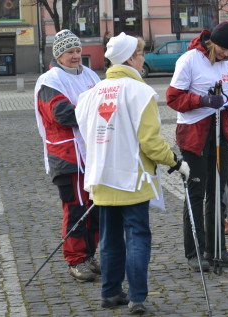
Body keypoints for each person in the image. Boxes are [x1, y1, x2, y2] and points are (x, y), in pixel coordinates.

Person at [76, 32, 190, 315]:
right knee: (138, 237)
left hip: (102, 177)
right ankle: (137, 298)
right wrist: (175, 161)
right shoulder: (141, 92)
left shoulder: (90, 94)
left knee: (110, 239)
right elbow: (150, 142)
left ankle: (110, 292)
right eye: (140, 54)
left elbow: (86, 133)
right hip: (132, 178)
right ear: (129, 58)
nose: (143, 59)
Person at [166, 21, 228, 271]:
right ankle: (194, 252)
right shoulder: (189, 60)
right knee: (196, 194)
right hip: (194, 134)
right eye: (223, 49)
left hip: (220, 130)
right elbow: (173, 98)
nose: (226, 54)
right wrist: (202, 99)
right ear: (212, 43)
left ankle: (217, 248)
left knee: (217, 192)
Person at [33, 29, 101, 282]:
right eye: (69, 52)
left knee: (96, 208)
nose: (75, 56)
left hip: (93, 154)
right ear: (59, 55)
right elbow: (62, 114)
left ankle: (89, 254)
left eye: (77, 50)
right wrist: (93, 111)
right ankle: (75, 259)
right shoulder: (50, 81)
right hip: (67, 156)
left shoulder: (91, 76)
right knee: (75, 209)